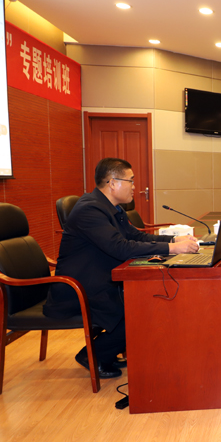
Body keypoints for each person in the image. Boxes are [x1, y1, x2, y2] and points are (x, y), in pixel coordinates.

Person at [44, 158, 200, 378]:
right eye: (131, 181)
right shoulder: (90, 209)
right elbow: (120, 247)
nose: (135, 186)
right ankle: (94, 355)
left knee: (148, 301)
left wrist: (174, 240)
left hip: (99, 280)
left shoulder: (111, 207)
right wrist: (173, 249)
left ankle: (105, 352)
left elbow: (135, 236)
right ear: (112, 183)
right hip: (77, 289)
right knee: (144, 308)